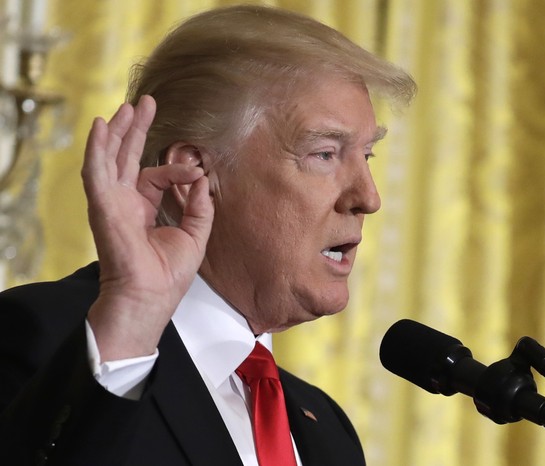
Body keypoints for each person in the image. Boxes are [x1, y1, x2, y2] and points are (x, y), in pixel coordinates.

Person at [0, 5, 416, 465]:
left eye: (367, 155)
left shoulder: (327, 428)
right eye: (324, 154)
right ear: (192, 174)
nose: (368, 197)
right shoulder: (47, 338)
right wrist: (133, 320)